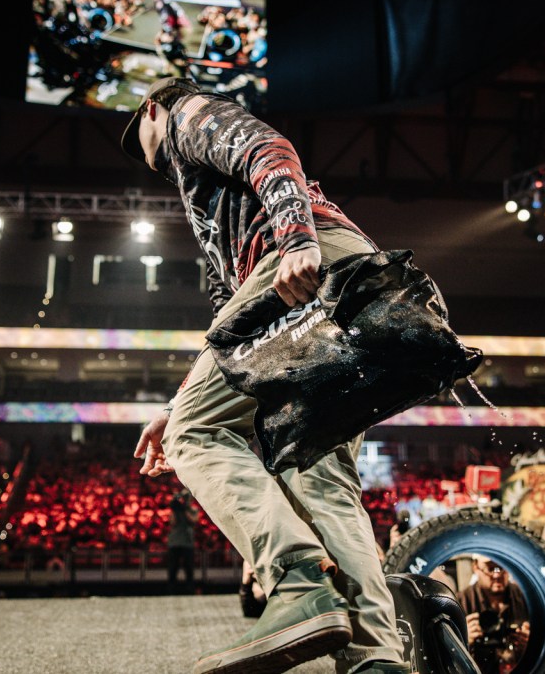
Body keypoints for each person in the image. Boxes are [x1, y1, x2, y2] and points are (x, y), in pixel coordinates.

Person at [127, 76, 407, 674]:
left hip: (305, 261)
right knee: (320, 475)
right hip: (355, 285)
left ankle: (298, 580)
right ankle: (376, 658)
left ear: (152, 109)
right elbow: (227, 327)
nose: (147, 158)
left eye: (139, 140)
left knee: (195, 435)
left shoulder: (187, 116)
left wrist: (295, 238)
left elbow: (269, 148)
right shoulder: (216, 216)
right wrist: (176, 401)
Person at [456, 555, 531, 674]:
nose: (497, 575)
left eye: (501, 567)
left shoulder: (526, 599)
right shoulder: (460, 602)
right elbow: (446, 657)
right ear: (475, 567)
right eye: (490, 568)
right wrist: (462, 641)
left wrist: (531, 643)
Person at [166, 487, 199, 594]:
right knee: (173, 568)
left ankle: (190, 590)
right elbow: (172, 523)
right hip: (175, 542)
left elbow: (193, 521)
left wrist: (185, 510)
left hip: (187, 542)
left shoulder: (193, 510)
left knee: (189, 568)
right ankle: (171, 591)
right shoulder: (175, 510)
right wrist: (175, 509)